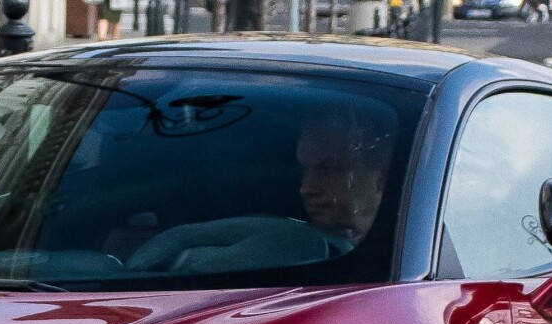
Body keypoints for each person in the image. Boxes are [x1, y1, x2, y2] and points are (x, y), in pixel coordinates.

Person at [126, 109, 396, 274]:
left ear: (381, 178)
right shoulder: (267, 248)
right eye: (304, 170)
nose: (306, 188)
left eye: (328, 170)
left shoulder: (410, 259)